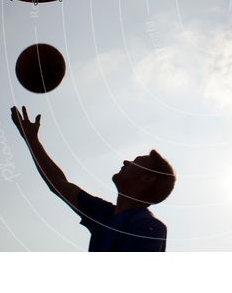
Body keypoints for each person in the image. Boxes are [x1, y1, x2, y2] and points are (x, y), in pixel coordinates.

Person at [11, 106, 175, 251]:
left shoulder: (148, 227)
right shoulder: (103, 214)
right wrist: (32, 140)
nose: (126, 161)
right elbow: (58, 183)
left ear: (147, 179)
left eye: (137, 161)